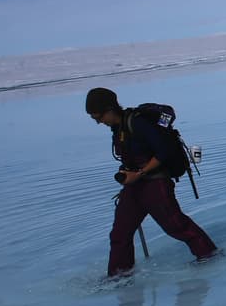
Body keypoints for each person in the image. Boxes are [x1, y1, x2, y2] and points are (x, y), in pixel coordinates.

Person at [86, 87, 218, 277]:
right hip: (134, 187)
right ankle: (119, 277)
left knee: (176, 226)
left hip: (156, 184)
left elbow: (164, 152)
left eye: (98, 116)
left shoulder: (138, 123)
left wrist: (139, 173)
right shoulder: (118, 128)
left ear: (109, 109)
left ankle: (209, 255)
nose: (98, 122)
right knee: (119, 234)